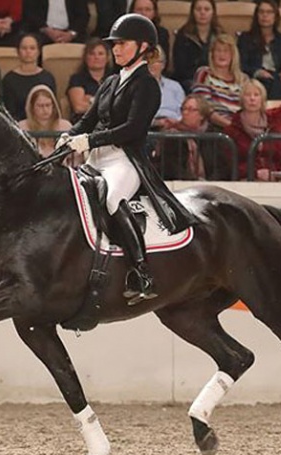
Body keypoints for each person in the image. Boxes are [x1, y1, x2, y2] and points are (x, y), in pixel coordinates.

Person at [57, 13, 195, 305]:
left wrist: (89, 139)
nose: (115, 49)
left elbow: (132, 129)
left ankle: (141, 272)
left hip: (125, 159)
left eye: (122, 44)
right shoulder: (110, 82)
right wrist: (69, 136)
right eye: (114, 45)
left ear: (144, 46)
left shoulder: (147, 85)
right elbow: (88, 118)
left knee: (110, 198)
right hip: (97, 157)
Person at [223, 78, 281, 181]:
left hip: (276, 178)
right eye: (248, 95)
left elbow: (280, 157)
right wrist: (255, 172)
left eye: (256, 95)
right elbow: (230, 165)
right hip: (247, 180)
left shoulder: (275, 123)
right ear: (242, 99)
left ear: (262, 99)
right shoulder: (231, 130)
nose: (252, 99)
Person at [156, 94, 230, 181]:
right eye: (184, 109)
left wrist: (209, 183)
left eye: (191, 110)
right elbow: (172, 168)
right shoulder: (173, 136)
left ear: (202, 115)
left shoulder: (214, 137)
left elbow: (221, 168)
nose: (185, 113)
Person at [237, 0, 281, 101]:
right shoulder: (245, 38)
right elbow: (240, 65)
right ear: (256, 15)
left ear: (276, 16)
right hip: (256, 79)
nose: (265, 15)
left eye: (269, 12)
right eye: (261, 12)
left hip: (278, 80)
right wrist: (257, 72)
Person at [192, 34, 248, 128]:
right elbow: (205, 108)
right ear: (212, 54)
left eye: (226, 51)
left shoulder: (244, 79)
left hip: (240, 125)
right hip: (215, 127)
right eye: (218, 50)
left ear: (233, 55)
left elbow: (248, 107)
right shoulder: (204, 73)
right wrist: (231, 126)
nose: (222, 55)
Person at [1, 33, 55, 121]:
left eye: (32, 48)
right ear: (18, 51)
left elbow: (53, 109)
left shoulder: (48, 77)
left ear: (38, 51)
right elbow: (9, 112)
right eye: (24, 48)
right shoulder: (9, 79)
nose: (28, 51)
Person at [172, 0, 223, 92]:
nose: (202, 12)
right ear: (193, 12)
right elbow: (180, 68)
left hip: (216, 80)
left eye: (206, 9)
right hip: (190, 80)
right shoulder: (183, 35)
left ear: (213, 12)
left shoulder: (220, 35)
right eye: (198, 9)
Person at [66, 37, 112, 123]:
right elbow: (78, 107)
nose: (96, 57)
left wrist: (91, 100)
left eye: (100, 54)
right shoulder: (77, 79)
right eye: (92, 54)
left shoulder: (114, 79)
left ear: (107, 58)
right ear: (85, 58)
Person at [18, 84, 71, 157]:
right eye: (40, 106)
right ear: (32, 107)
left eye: (48, 105)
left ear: (54, 106)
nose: (45, 110)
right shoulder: (22, 127)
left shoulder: (65, 126)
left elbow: (74, 156)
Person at [22, 0, 89, 45]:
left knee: (89, 46)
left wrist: (71, 34)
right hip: (43, 32)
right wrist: (47, 30)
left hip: (71, 33)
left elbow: (84, 15)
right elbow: (29, 13)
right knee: (30, 44)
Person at [148, 46, 185, 129]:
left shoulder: (175, 87)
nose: (151, 65)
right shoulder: (136, 87)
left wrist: (175, 123)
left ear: (163, 65)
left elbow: (183, 112)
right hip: (150, 129)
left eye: (156, 61)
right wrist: (157, 122)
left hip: (175, 127)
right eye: (149, 61)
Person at [129, 0, 168, 73]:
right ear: (132, 11)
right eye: (139, 9)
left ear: (154, 13)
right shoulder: (124, 32)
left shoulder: (162, 33)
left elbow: (164, 62)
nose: (143, 13)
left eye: (148, 10)